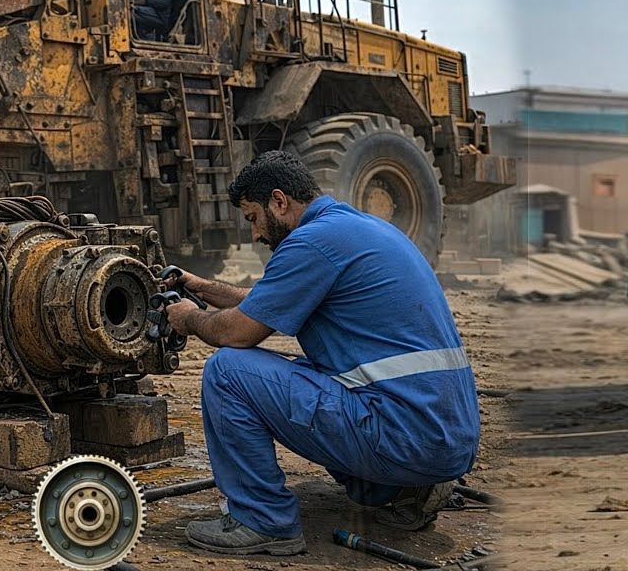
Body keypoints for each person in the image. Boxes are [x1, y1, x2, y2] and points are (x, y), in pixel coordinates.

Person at [163, 151, 479, 556]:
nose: (256, 235)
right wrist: (202, 288)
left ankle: (262, 521)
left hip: (404, 434)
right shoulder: (352, 229)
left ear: (279, 201)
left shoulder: (310, 243)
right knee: (316, 372)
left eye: (253, 218)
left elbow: (239, 333)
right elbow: (267, 300)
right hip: (445, 435)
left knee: (229, 371)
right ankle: (402, 490)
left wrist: (190, 318)